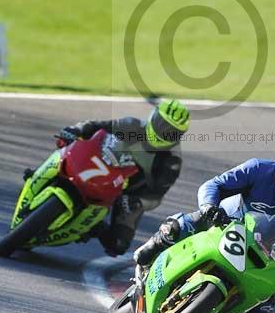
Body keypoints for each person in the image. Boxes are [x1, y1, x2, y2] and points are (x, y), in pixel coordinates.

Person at [134, 144, 275, 313]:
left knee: (259, 312)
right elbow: (214, 185)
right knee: (178, 227)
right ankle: (154, 245)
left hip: (260, 254)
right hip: (225, 222)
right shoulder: (258, 169)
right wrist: (209, 206)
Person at [48, 99, 190, 256]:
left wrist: (135, 200)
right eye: (161, 124)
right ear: (153, 117)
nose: (164, 132)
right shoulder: (131, 125)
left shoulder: (171, 161)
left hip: (127, 190)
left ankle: (93, 227)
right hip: (100, 165)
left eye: (171, 131)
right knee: (65, 145)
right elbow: (95, 126)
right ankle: (40, 175)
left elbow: (156, 195)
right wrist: (74, 130)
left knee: (118, 244)